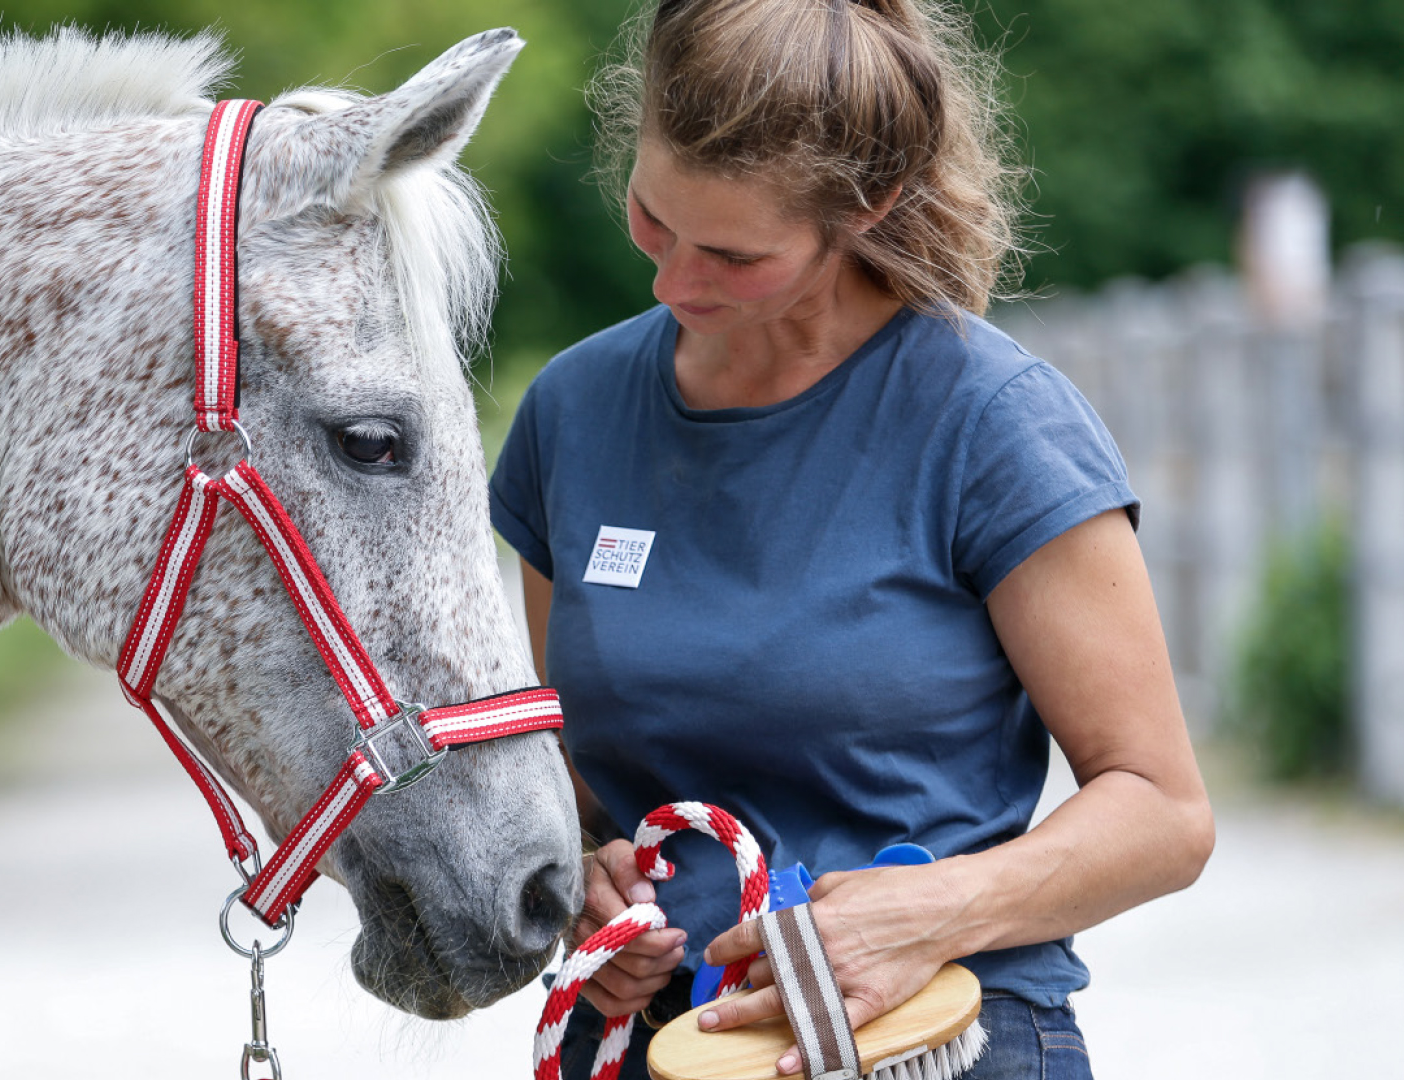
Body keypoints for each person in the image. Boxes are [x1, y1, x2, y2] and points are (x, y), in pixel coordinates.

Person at [487, 1, 1216, 1076]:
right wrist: (589, 884)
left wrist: (931, 910)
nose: (672, 283)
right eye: (652, 218)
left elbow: (1164, 813)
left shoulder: (994, 421)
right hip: (657, 1048)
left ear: (868, 206)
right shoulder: (572, 413)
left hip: (945, 1039)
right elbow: (578, 770)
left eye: (734, 254)